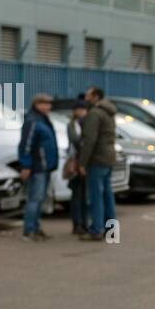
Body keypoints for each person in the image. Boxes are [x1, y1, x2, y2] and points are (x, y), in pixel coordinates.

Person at [18, 92, 59, 241]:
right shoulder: (32, 120)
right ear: (37, 105)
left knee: (40, 198)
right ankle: (29, 230)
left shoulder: (43, 119)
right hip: (37, 166)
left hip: (45, 166)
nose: (49, 106)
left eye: (49, 104)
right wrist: (26, 165)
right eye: (46, 103)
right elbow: (26, 145)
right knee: (34, 198)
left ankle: (36, 227)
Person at [78, 87, 117, 241]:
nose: (85, 97)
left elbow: (89, 140)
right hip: (108, 157)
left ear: (94, 97)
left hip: (97, 159)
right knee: (108, 195)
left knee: (96, 197)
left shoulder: (94, 113)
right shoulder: (109, 112)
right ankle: (112, 231)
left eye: (88, 94)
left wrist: (82, 162)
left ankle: (96, 230)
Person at [63, 97, 90, 235]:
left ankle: (86, 222)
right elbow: (75, 140)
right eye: (78, 110)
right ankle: (77, 224)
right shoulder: (72, 124)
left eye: (83, 109)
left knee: (86, 196)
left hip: (86, 162)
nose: (81, 112)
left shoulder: (88, 123)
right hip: (76, 162)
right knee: (77, 194)